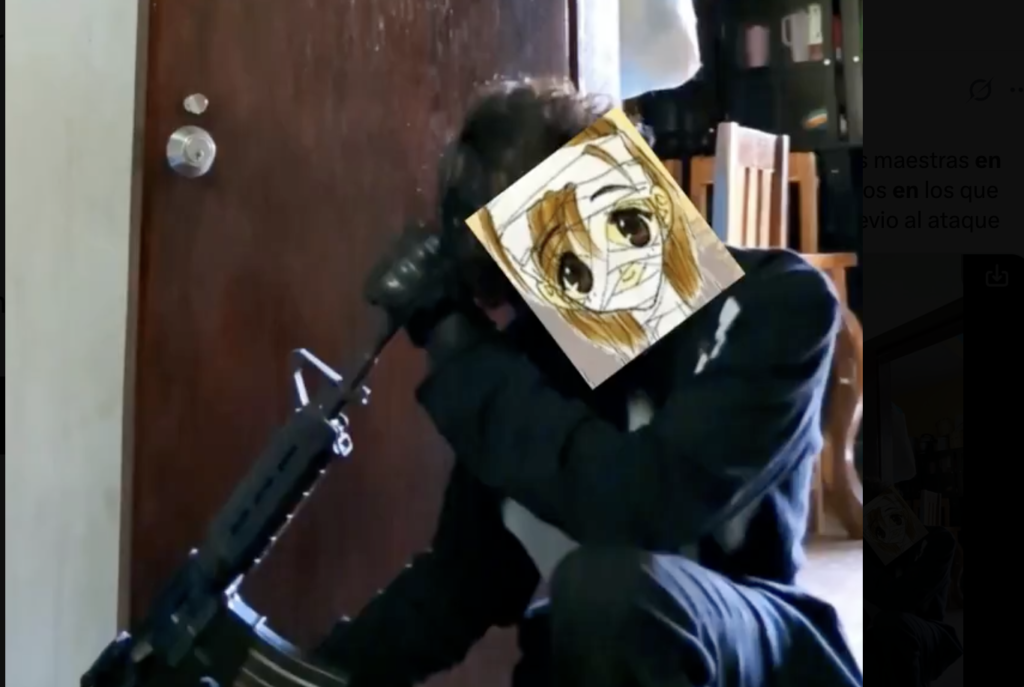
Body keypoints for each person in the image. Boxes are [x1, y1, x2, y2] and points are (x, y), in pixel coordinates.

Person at [314, 78, 862, 687]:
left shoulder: (778, 302)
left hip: (761, 655)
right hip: (621, 647)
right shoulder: (544, 364)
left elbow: (651, 501)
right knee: (569, 634)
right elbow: (458, 583)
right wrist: (307, 675)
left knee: (604, 596)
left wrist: (463, 352)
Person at [863, 479, 963, 687]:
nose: (891, 529)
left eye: (894, 517)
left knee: (892, 625)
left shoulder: (939, 541)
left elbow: (903, 598)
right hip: (877, 630)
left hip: (923, 630)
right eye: (879, 528)